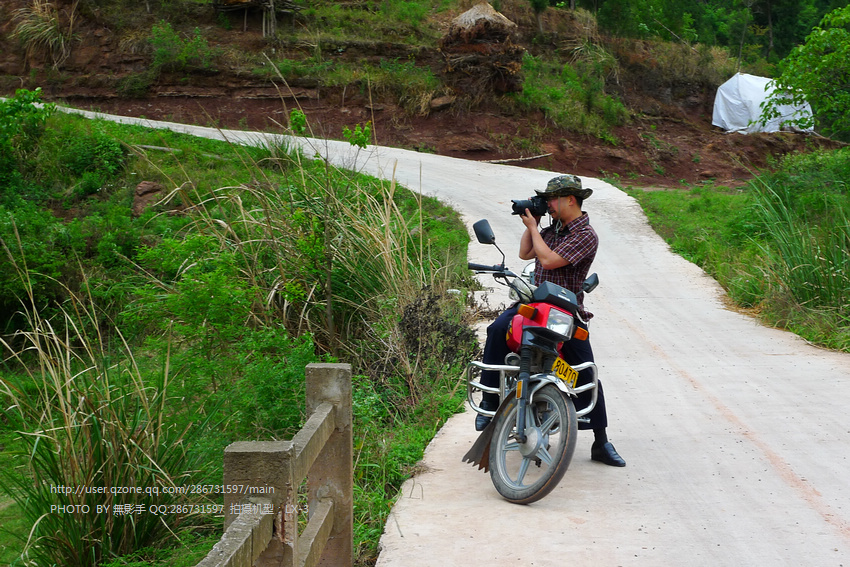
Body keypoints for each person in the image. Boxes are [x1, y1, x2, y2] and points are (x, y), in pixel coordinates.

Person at [475, 174, 626, 467]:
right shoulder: (551, 229)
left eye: (551, 199)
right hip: (534, 304)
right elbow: (525, 253)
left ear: (570, 199)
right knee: (497, 329)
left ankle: (601, 441)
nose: (548, 205)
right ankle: (489, 400)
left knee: (585, 371)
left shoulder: (585, 235)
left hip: (565, 310)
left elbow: (548, 261)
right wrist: (532, 224)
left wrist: (534, 228)